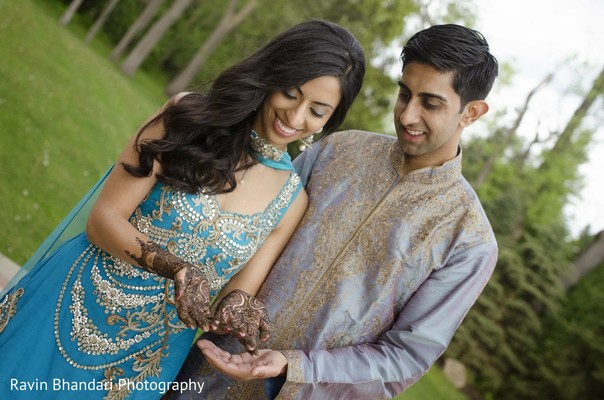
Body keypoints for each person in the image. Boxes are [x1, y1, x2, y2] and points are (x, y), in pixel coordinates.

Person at [0, 19, 365, 399]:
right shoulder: (187, 118)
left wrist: (240, 310)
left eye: (317, 111)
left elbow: (235, 294)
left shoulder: (292, 201)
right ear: (272, 75)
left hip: (146, 360)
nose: (295, 117)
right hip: (71, 303)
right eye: (291, 93)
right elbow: (103, 219)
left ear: (329, 121)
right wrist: (178, 268)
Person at [167, 23, 499, 400]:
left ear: (471, 112)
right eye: (404, 94)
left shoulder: (468, 239)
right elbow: (252, 225)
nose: (407, 115)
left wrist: (293, 366)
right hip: (211, 366)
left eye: (431, 103)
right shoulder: (338, 150)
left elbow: (403, 358)